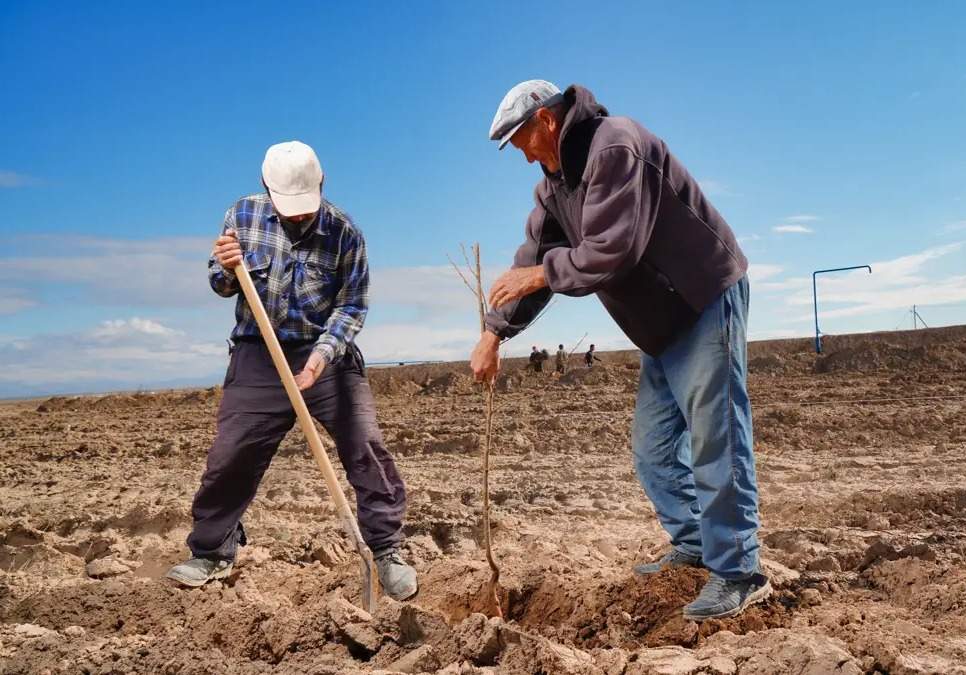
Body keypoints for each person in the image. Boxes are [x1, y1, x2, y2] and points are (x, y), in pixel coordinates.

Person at [470, 81, 767, 620]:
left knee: (715, 441)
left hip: (701, 299)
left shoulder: (615, 146)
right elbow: (533, 261)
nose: (521, 154)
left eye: (521, 141)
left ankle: (738, 571)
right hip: (659, 323)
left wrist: (538, 274)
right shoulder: (554, 185)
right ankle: (697, 544)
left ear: (548, 122)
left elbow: (613, 252)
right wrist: (495, 333)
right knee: (652, 451)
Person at [166, 141, 417, 600]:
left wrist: (321, 358)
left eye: (305, 208)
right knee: (231, 455)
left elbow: (352, 306)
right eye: (289, 209)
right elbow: (220, 284)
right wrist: (223, 268)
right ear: (266, 187)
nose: (298, 217)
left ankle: (385, 549)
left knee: (366, 445)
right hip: (258, 354)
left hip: (327, 356)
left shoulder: (345, 233)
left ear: (322, 184)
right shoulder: (241, 216)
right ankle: (211, 551)